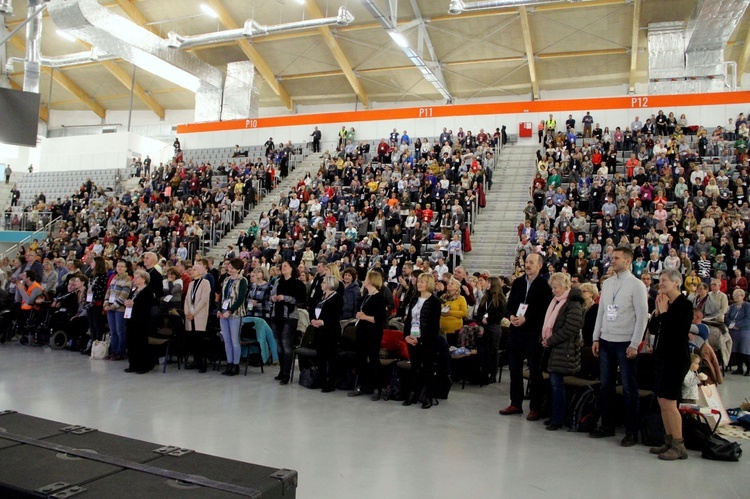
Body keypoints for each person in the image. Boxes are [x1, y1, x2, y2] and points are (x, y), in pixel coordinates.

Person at [590, 246, 649, 446]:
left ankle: (632, 431)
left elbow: (642, 317)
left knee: (629, 387)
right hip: (606, 340)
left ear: (627, 261)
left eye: (616, 258)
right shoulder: (607, 284)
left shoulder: (637, 285)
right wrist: (595, 337)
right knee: (605, 385)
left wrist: (635, 344)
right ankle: (607, 425)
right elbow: (602, 312)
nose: (612, 260)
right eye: (612, 257)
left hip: (625, 342)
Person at [500, 253, 553, 420]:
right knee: (514, 369)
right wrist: (511, 317)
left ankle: (535, 407)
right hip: (516, 331)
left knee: (534, 371)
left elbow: (544, 310)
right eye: (526, 262)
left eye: (531, 262)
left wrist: (526, 318)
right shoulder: (518, 283)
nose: (527, 265)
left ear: (539, 266)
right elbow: (510, 306)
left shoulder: (544, 285)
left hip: (532, 333)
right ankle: (515, 403)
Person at [647, 268, 693, 460]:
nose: (662, 283)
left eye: (665, 280)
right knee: (662, 400)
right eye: (661, 280)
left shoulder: (684, 305)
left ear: (676, 283)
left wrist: (664, 313)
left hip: (676, 358)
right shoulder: (665, 303)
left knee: (670, 402)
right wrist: (658, 313)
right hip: (662, 356)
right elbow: (654, 330)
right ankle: (668, 440)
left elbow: (678, 333)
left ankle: (679, 444)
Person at [542, 273, 584, 431]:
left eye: (556, 287)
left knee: (557, 385)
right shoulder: (555, 302)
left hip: (563, 349)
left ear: (565, 286)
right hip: (554, 349)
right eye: (552, 287)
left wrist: (550, 340)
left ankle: (558, 419)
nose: (553, 291)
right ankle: (554, 415)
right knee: (554, 384)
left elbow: (571, 327)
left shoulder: (573, 303)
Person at [403, 273, 442, 409]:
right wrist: (407, 336)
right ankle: (413, 394)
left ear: (429, 284)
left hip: (427, 341)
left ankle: (428, 396)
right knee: (415, 368)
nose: (419, 284)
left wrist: (420, 339)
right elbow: (409, 320)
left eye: (422, 282)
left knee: (427, 368)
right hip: (412, 338)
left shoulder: (435, 302)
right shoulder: (414, 299)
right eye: (418, 281)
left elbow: (433, 325)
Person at [349, 270, 387, 399]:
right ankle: (361, 385)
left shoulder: (379, 298)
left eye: (366, 277)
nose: (364, 279)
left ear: (371, 280)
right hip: (362, 330)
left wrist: (364, 316)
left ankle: (378, 388)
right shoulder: (365, 296)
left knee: (373, 358)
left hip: (373, 332)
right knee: (360, 358)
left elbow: (380, 319)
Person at [271, 261, 307, 385]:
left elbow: (301, 299)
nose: (283, 268)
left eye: (286, 266)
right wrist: (274, 298)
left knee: (287, 345)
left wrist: (285, 298)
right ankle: (281, 370)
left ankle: (287, 373)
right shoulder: (277, 281)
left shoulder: (297, 283)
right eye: (282, 266)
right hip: (277, 314)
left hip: (289, 316)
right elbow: (272, 294)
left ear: (292, 268)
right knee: (279, 346)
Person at [311, 275, 344, 393]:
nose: (322, 284)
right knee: (320, 357)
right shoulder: (322, 296)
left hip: (331, 331)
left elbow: (335, 316)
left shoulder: (337, 298)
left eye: (324, 282)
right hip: (319, 331)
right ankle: (320, 379)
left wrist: (323, 322)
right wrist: (314, 320)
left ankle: (331, 382)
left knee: (330, 357)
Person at [217, 258, 248, 377]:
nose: (229, 269)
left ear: (238, 269)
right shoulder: (226, 280)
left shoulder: (242, 281)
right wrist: (220, 309)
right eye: (228, 267)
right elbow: (222, 295)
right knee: (227, 340)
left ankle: (236, 364)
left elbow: (240, 298)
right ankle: (229, 363)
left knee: (235, 340)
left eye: (231, 268)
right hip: (224, 311)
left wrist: (230, 310)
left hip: (235, 313)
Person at [474, 276, 506, 384]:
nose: (486, 284)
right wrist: (481, 319)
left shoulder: (500, 298)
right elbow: (479, 311)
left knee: (493, 351)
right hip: (484, 326)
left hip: (494, 327)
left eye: (488, 282)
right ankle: (483, 371)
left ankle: (492, 373)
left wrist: (489, 319)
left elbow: (500, 314)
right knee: (483, 350)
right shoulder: (485, 298)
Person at [124, 270, 156, 374]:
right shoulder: (134, 290)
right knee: (131, 341)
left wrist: (134, 304)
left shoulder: (148, 291)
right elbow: (130, 300)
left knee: (140, 342)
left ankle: (143, 365)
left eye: (137, 277)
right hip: (131, 318)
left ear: (143, 279)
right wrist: (127, 302)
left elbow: (147, 306)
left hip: (142, 320)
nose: (134, 279)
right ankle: (133, 364)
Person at [184, 259, 212, 373]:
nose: (192, 271)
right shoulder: (191, 283)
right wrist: (187, 312)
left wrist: (194, 312)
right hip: (190, 315)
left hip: (199, 314)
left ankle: (202, 362)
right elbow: (187, 299)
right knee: (193, 340)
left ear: (200, 271)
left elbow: (203, 299)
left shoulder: (205, 283)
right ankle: (195, 361)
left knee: (200, 340)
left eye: (195, 269)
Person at [103, 260, 132, 361]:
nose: (119, 268)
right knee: (113, 331)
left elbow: (123, 296)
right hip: (110, 307)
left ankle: (120, 352)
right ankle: (113, 351)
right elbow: (108, 292)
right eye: (118, 266)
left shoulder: (127, 280)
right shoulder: (114, 278)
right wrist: (106, 303)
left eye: (122, 266)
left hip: (119, 309)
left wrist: (112, 306)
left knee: (120, 331)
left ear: (126, 268)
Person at [84, 256, 108, 354]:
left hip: (97, 303)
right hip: (89, 302)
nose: (91, 263)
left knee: (97, 324)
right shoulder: (91, 275)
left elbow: (101, 291)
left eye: (93, 262)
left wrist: (93, 298)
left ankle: (97, 344)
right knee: (91, 325)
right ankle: (92, 344)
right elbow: (88, 287)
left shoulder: (103, 276)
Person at [726, 288, 750, 375]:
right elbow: (727, 317)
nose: (735, 297)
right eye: (734, 295)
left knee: (744, 350)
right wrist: (731, 325)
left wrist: (737, 325)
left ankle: (748, 368)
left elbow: (748, 319)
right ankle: (739, 368)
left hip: (744, 331)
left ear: (743, 296)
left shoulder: (747, 306)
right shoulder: (732, 306)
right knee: (735, 350)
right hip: (733, 331)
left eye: (737, 295)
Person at [440, 277, 468, 346]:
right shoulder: (443, 297)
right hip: (442, 330)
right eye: (449, 283)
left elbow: (464, 313)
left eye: (452, 284)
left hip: (455, 330)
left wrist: (450, 313)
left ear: (457, 287)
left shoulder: (461, 298)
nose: (449, 285)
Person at [580, 282, 599, 347]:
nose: (581, 293)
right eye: (580, 291)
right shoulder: (579, 307)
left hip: (589, 340)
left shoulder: (595, 308)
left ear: (591, 293)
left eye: (584, 291)